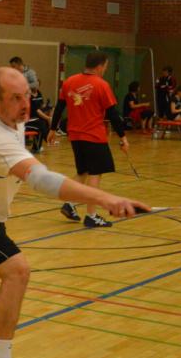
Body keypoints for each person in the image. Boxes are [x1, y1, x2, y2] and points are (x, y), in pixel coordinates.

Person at [0, 67, 146, 358]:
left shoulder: (7, 111)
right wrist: (106, 199)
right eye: (16, 98)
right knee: (17, 270)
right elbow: (42, 179)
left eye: (28, 95)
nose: (26, 105)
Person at [47, 51, 129, 228]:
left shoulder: (69, 81)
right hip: (94, 136)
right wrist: (123, 137)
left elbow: (60, 107)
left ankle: (69, 203)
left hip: (75, 135)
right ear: (100, 66)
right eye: (105, 66)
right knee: (95, 174)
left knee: (83, 171)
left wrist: (52, 129)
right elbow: (113, 114)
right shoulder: (102, 85)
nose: (105, 70)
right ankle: (91, 216)